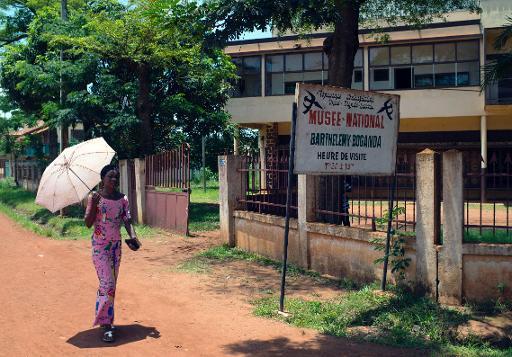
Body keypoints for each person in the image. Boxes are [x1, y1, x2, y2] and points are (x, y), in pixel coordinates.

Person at [84, 164, 141, 343]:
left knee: (110, 286)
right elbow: (87, 223)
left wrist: (133, 237)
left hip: (116, 247)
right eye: (110, 177)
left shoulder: (122, 198)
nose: (114, 180)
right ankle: (107, 326)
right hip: (100, 247)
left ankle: (104, 319)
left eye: (116, 177)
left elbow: (127, 219)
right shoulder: (95, 197)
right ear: (103, 179)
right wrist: (93, 203)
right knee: (107, 283)